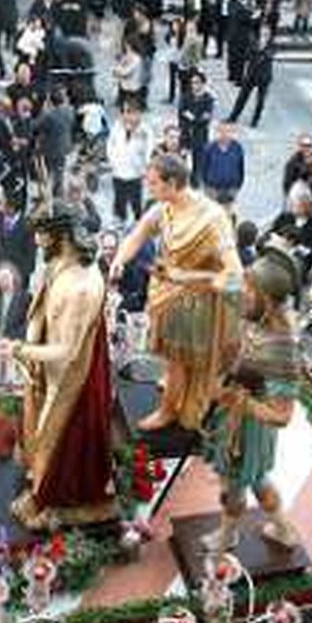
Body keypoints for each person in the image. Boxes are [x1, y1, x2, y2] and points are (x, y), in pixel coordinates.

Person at [110, 153, 243, 431]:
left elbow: (234, 275)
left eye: (153, 184)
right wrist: (119, 261)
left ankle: (168, 410)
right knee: (171, 359)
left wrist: (185, 277)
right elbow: (138, 234)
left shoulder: (212, 219)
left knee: (179, 361)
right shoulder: (165, 207)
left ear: (172, 184)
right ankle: (174, 391)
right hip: (167, 294)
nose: (148, 189)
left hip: (196, 303)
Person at [6, 204, 115, 529]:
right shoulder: (59, 262)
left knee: (60, 444)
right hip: (47, 370)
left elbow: (67, 352)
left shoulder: (81, 287)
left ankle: (62, 501)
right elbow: (43, 307)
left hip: (70, 379)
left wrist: (21, 350)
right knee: (38, 431)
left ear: (62, 235)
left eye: (42, 233)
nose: (36, 241)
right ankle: (40, 482)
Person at [202, 244, 304, 553]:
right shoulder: (258, 309)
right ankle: (284, 530)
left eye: (249, 290)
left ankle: (227, 535)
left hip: (247, 429)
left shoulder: (280, 346)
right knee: (257, 480)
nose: (242, 294)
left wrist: (239, 402)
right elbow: (222, 285)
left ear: (268, 300)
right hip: (234, 413)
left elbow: (283, 416)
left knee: (235, 483)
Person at [106, 103, 151, 224]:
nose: (129, 116)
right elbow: (110, 145)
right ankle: (120, 221)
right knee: (119, 200)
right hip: (118, 171)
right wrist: (113, 161)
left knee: (136, 202)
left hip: (135, 173)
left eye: (132, 112)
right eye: (126, 112)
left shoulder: (145, 130)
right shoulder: (117, 127)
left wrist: (144, 166)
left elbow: (149, 150)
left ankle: (139, 223)